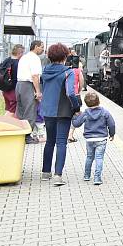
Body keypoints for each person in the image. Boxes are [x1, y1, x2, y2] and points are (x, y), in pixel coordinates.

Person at [39, 43, 81, 186]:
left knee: (50, 141)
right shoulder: (67, 72)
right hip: (63, 111)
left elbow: (42, 88)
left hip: (47, 111)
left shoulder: (44, 71)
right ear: (65, 56)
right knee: (61, 142)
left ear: (50, 56)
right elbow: (70, 92)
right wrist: (76, 107)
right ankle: (58, 176)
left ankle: (45, 173)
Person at [71, 91, 115, 185]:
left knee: (89, 157)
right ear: (98, 102)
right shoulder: (104, 112)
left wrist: (74, 117)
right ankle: (97, 178)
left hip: (89, 139)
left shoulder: (85, 114)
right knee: (99, 158)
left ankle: (87, 176)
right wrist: (112, 134)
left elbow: (76, 124)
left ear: (86, 103)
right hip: (101, 139)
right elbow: (112, 124)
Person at [16, 40, 44, 143]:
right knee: (30, 111)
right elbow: (35, 75)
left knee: (20, 111)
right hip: (28, 86)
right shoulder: (35, 58)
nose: (43, 49)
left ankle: (19, 133)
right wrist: (38, 91)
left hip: (19, 85)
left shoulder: (24, 57)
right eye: (41, 47)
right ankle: (27, 136)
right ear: (36, 47)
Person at [0, 44, 24, 115]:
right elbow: (16, 78)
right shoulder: (17, 63)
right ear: (19, 53)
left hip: (5, 88)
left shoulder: (6, 60)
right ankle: (5, 123)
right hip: (13, 89)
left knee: (8, 108)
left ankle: (5, 121)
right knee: (13, 110)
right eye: (22, 53)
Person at [66, 49, 85, 143]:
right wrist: (78, 90)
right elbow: (81, 82)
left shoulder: (64, 70)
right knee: (75, 115)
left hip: (65, 96)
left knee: (65, 115)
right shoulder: (77, 70)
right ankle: (70, 135)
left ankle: (63, 133)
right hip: (75, 95)